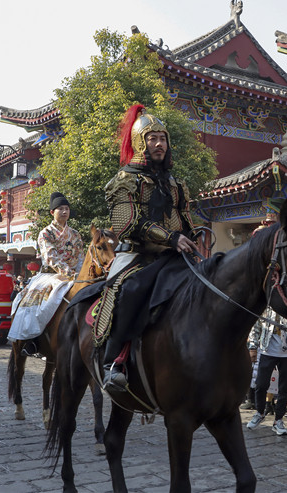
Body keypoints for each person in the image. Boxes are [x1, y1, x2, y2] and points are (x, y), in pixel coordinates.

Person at [98, 104, 196, 391]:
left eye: (163, 138)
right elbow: (128, 225)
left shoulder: (176, 183)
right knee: (129, 290)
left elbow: (186, 220)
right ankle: (111, 362)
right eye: (152, 138)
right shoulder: (126, 180)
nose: (159, 144)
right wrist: (171, 238)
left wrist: (191, 238)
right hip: (136, 255)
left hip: (174, 254)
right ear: (141, 142)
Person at [8, 192, 84, 354]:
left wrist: (81, 274)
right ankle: (31, 338)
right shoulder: (46, 233)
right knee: (37, 302)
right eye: (60, 209)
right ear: (52, 212)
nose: (64, 212)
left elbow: (80, 258)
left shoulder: (75, 234)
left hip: (75, 276)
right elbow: (50, 257)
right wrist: (68, 273)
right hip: (51, 275)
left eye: (67, 209)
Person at [246, 307, 287, 435]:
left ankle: (278, 420)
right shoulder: (267, 305)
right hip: (267, 350)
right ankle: (260, 412)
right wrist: (253, 347)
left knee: (284, 388)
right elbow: (256, 325)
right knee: (261, 384)